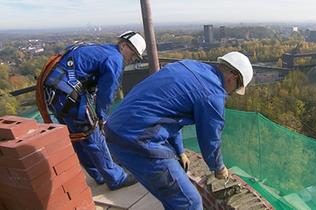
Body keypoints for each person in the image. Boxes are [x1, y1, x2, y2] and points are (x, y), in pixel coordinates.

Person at [104, 52, 254, 209]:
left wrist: (180, 151)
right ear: (234, 76)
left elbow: (169, 113)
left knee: (173, 197)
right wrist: (219, 168)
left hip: (114, 130)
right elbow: (210, 139)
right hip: (138, 140)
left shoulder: (188, 66)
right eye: (235, 89)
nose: (230, 93)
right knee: (189, 202)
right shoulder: (213, 93)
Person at [38, 31, 146, 190]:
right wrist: (101, 117)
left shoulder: (103, 49)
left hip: (57, 96)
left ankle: (98, 174)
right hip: (70, 98)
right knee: (92, 135)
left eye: (136, 57)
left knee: (78, 137)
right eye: (133, 53)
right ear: (123, 45)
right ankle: (116, 178)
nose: (132, 59)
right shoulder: (115, 59)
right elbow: (107, 93)